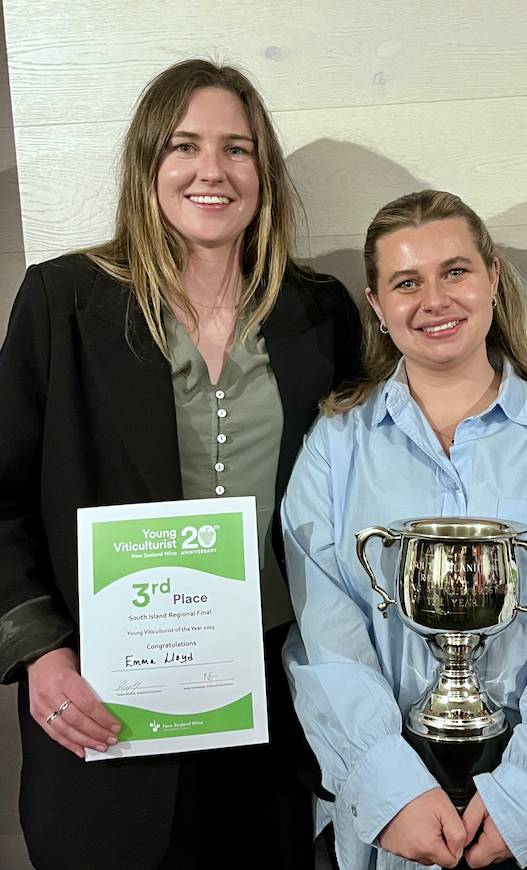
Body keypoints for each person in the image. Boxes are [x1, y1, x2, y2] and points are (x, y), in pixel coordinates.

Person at [0, 59, 363, 869]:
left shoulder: (317, 311)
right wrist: (39, 651)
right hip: (108, 701)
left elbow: (413, 409)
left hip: (273, 704)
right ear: (148, 163)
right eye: (185, 146)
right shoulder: (63, 302)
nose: (212, 171)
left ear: (263, 172)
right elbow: (1, 497)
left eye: (237, 149)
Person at [281, 189, 527, 870]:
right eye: (406, 283)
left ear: (493, 278)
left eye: (455, 271)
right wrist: (388, 784)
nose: (435, 300)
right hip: (391, 813)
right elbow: (324, 628)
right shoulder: (336, 444)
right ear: (377, 305)